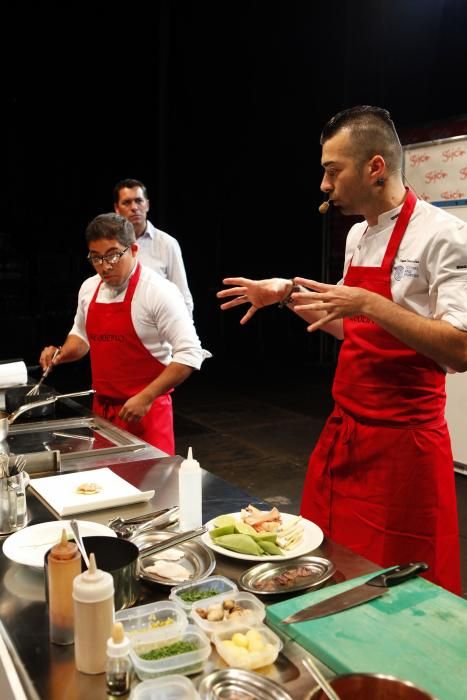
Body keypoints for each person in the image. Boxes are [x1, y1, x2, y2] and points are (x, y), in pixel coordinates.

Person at [217, 105, 467, 595]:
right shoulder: (358, 234)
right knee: (332, 571)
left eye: (333, 171)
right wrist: (287, 294)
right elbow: (351, 328)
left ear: (375, 167)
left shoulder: (444, 235)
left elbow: (459, 349)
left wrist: (370, 303)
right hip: (346, 434)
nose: (324, 185)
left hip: (404, 447)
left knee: (401, 585)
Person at [40, 213, 208, 455]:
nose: (105, 266)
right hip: (102, 413)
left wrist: (147, 396)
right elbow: (81, 336)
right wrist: (62, 353)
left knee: (153, 489)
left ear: (134, 250)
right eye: (96, 258)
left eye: (113, 255)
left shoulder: (158, 291)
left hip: (146, 413)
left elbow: (190, 353)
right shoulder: (89, 288)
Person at [113, 178, 194, 316]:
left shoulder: (167, 244)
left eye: (139, 201)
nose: (134, 207)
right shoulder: (111, 245)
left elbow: (183, 297)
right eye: (126, 202)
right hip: (120, 326)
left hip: (158, 329)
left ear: (147, 205)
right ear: (117, 209)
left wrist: (184, 334)